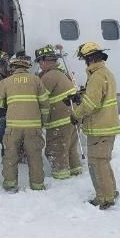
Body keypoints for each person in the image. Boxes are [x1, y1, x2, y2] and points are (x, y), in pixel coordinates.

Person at [69, 42, 120, 210]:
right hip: (107, 126)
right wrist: (81, 95)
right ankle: (111, 191)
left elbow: (91, 104)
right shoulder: (105, 73)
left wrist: (76, 114)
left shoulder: (97, 77)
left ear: (89, 59)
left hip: (100, 127)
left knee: (97, 163)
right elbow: (97, 95)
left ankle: (104, 198)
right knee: (104, 162)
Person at [0, 54, 50, 192]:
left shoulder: (7, 81)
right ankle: (37, 185)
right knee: (34, 156)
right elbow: (45, 103)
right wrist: (43, 121)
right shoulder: (36, 80)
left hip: (13, 127)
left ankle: (10, 184)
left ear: (13, 67)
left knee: (10, 156)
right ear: (27, 67)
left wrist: (1, 105)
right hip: (33, 126)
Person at [34, 44, 82, 180]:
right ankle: (76, 172)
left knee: (56, 150)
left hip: (60, 122)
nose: (39, 65)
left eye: (40, 62)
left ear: (45, 61)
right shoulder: (62, 74)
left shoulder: (49, 76)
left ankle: (61, 178)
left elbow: (40, 98)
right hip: (72, 119)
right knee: (71, 149)